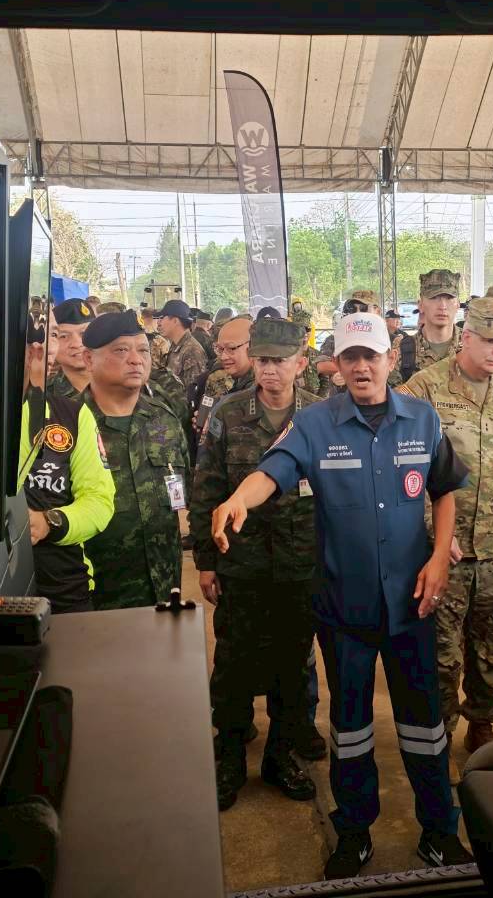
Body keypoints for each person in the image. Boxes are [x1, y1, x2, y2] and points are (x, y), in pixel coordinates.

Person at [211, 311, 474, 879]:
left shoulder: (422, 419)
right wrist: (237, 499)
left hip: (412, 604)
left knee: (425, 725)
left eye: (370, 355)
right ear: (335, 364)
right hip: (343, 607)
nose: (361, 367)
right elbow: (273, 471)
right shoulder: (314, 424)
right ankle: (353, 833)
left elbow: (445, 489)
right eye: (350, 357)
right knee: (350, 729)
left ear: (390, 357)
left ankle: (438, 831)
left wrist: (438, 557)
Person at [192, 317, 322, 811]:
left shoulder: (320, 416)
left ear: (300, 364)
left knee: (292, 665)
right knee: (234, 664)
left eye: (280, 361)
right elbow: (206, 487)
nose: (270, 370)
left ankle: (280, 756)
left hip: (299, 563)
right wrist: (206, 561)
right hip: (241, 562)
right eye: (263, 360)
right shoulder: (228, 413)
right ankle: (228, 756)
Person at [401, 298, 493, 782]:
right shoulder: (423, 389)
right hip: (441, 552)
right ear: (465, 337)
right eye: (489, 341)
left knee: (492, 652)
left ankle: (482, 724)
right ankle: (439, 735)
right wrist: (432, 530)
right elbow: (400, 465)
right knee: (441, 656)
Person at [80, 312, 191, 609]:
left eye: (143, 350)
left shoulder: (164, 419)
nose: (136, 360)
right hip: (94, 595)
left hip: (163, 588)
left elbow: (183, 491)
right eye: (121, 350)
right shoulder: (69, 426)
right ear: (89, 359)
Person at [18, 317, 116, 614]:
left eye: (52, 335)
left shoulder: (71, 415)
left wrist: (49, 522)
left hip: (61, 587)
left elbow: (99, 501)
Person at [193, 316, 254, 442]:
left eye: (231, 348)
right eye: (220, 349)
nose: (223, 357)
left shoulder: (264, 387)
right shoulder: (224, 377)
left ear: (252, 347)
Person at [401, 270, 462, 380]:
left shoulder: (472, 346)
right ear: (420, 305)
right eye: (434, 298)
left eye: (449, 298)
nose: (442, 306)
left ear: (458, 305)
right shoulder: (403, 352)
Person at [47, 297, 98, 399]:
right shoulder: (42, 396)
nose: (76, 344)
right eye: (63, 336)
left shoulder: (124, 385)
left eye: (84, 334)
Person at [157, 299, 210, 391]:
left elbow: (194, 393)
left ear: (175, 321)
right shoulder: (176, 345)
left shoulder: (192, 351)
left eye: (162, 318)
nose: (158, 322)